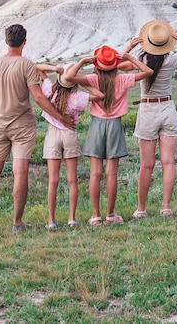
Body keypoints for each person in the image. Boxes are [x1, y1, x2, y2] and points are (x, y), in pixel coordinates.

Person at [0, 24, 74, 234]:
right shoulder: (27, 66)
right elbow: (39, 97)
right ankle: (17, 221)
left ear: (6, 41)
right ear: (25, 41)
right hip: (22, 126)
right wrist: (60, 117)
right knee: (20, 171)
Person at [123, 20, 177, 219]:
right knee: (168, 162)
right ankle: (166, 207)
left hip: (148, 110)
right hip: (167, 108)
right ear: (166, 41)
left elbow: (116, 64)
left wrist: (129, 47)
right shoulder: (173, 60)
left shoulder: (140, 58)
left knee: (146, 164)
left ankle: (141, 209)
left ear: (148, 41)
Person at [64, 46, 152, 226]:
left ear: (97, 64)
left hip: (96, 125)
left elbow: (68, 77)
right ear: (115, 65)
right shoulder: (122, 79)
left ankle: (96, 216)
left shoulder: (92, 79)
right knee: (112, 173)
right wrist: (130, 58)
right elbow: (148, 71)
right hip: (115, 125)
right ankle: (110, 215)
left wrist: (82, 61)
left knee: (95, 173)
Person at [36, 63, 104, 230]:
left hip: (52, 135)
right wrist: (80, 80)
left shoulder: (49, 89)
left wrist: (56, 70)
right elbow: (99, 95)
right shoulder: (77, 96)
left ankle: (51, 220)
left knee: (53, 180)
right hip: (69, 134)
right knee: (72, 179)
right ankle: (71, 218)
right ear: (73, 82)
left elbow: (38, 68)